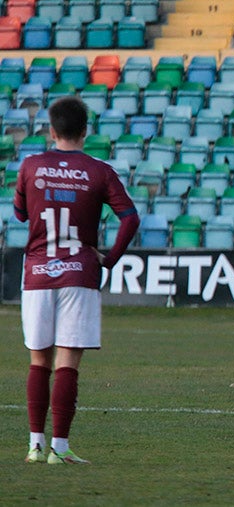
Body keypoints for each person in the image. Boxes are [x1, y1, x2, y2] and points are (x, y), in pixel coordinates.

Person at [15, 96, 140, 464]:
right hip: (80, 272)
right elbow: (130, 219)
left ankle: (35, 445)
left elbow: (20, 215)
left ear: (52, 131)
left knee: (39, 360)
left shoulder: (30, 166)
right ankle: (61, 448)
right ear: (86, 131)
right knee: (67, 362)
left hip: (37, 271)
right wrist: (111, 259)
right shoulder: (99, 171)